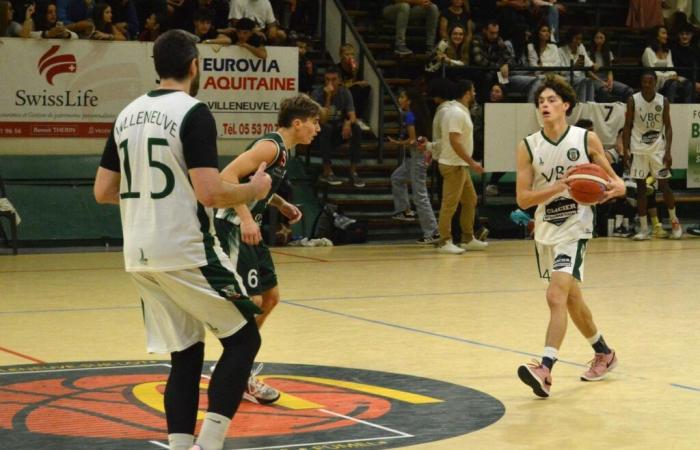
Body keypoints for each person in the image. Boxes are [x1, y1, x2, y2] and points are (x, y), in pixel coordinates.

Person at [93, 30, 272, 450]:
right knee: (244, 339)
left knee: (187, 353)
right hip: (184, 247)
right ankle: (208, 445)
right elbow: (210, 192)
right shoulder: (194, 112)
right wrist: (255, 190)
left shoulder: (126, 115)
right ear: (195, 65)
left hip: (138, 252)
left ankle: (180, 446)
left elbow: (102, 191)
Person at [515, 74, 625, 398]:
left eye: (551, 101)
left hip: (575, 229)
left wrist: (613, 188)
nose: (544, 106)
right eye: (540, 102)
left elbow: (614, 182)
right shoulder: (528, 146)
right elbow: (523, 199)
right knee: (573, 299)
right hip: (546, 230)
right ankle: (604, 353)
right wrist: (558, 187)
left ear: (566, 106)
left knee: (555, 296)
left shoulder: (585, 139)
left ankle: (545, 369)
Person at [215, 93, 321, 405]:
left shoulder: (284, 152)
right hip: (233, 226)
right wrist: (246, 219)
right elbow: (227, 176)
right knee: (253, 300)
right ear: (297, 123)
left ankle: (240, 364)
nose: (317, 129)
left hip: (251, 227)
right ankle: (236, 370)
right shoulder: (270, 146)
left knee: (271, 298)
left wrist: (280, 202)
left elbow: (256, 186)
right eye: (314, 123)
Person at [622, 70, 683, 240]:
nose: (646, 85)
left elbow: (668, 127)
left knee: (664, 186)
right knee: (641, 189)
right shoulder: (633, 100)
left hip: (658, 149)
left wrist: (669, 151)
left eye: (650, 82)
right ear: (641, 83)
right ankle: (644, 228)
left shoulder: (663, 100)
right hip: (638, 149)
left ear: (655, 82)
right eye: (644, 82)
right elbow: (627, 126)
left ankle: (674, 222)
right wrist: (626, 150)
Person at [435, 80, 487, 254]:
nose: (475, 93)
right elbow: (454, 141)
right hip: (453, 165)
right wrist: (472, 162)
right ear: (466, 93)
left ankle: (467, 238)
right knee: (449, 204)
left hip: (460, 165)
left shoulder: (460, 111)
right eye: (473, 90)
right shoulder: (456, 113)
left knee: (470, 200)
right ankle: (444, 241)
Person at [388, 89, 439, 243]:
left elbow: (413, 141)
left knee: (420, 195)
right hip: (413, 158)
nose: (399, 99)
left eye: (402, 96)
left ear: (409, 101)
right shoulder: (417, 114)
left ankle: (432, 232)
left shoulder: (410, 115)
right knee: (397, 178)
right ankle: (404, 210)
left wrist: (397, 143)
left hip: (417, 157)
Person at [311, 66, 365, 188]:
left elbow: (353, 116)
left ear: (339, 80)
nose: (330, 83)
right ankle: (327, 171)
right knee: (326, 128)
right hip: (318, 134)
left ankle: (353, 172)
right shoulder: (318, 94)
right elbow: (323, 120)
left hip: (337, 131)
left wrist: (347, 123)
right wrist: (328, 97)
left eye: (333, 79)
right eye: (327, 79)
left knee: (356, 127)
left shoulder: (345, 92)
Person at [642, 25, 693, 103]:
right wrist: (669, 77)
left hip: (667, 79)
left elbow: (671, 68)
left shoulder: (667, 51)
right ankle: (669, 108)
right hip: (656, 81)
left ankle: (687, 109)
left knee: (688, 83)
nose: (666, 36)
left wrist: (672, 75)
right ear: (656, 36)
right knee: (673, 83)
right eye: (663, 33)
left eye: (666, 34)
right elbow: (652, 72)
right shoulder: (648, 51)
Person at [588, 29, 633, 103]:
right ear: (593, 39)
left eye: (601, 38)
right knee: (604, 91)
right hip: (594, 80)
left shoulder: (608, 53)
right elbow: (589, 73)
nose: (599, 40)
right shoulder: (588, 53)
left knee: (628, 90)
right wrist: (601, 82)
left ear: (605, 39)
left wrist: (610, 82)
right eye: (597, 38)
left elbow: (610, 70)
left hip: (607, 80)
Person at [338, 43, 371, 131]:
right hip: (340, 93)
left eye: (352, 54)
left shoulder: (354, 67)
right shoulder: (338, 68)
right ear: (341, 55)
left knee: (365, 88)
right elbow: (340, 85)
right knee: (354, 89)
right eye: (347, 54)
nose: (350, 57)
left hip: (351, 91)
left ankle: (358, 118)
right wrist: (356, 84)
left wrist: (354, 72)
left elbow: (356, 82)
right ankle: (350, 118)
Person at [557, 27, 595, 103]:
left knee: (589, 81)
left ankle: (591, 104)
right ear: (570, 38)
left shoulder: (581, 47)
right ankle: (581, 104)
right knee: (583, 81)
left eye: (580, 39)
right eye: (576, 38)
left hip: (580, 77)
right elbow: (562, 72)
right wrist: (574, 66)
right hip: (566, 78)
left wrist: (594, 65)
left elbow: (588, 62)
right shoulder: (560, 50)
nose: (578, 41)